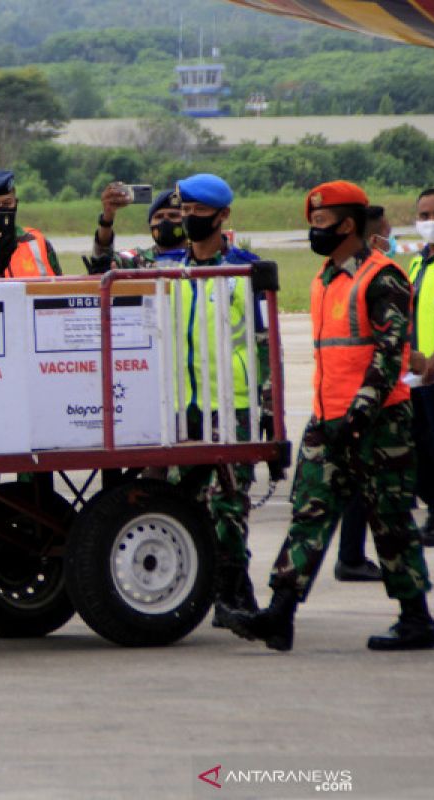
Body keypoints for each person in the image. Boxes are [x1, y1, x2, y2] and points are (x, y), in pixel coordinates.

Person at [231, 181, 434, 652]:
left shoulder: (383, 277)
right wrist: (332, 417)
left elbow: (390, 355)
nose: (313, 230)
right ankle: (279, 615)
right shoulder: (324, 278)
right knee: (308, 514)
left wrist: (360, 411)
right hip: (329, 422)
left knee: (390, 521)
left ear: (347, 225)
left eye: (321, 223)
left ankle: (416, 619)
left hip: (378, 425)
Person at [170, 173, 272, 631]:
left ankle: (234, 591)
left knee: (230, 505)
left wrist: (267, 408)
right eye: (185, 211)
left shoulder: (247, 270)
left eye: (199, 213)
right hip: (184, 406)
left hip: (233, 404)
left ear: (223, 216)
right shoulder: (170, 269)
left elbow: (265, 340)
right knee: (185, 503)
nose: (190, 220)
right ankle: (201, 589)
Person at [333, 205, 392, 580]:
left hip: (349, 402)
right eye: (386, 235)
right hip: (371, 403)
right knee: (380, 491)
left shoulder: (335, 281)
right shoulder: (375, 280)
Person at [406, 188, 434, 547]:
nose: (429, 223)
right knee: (418, 449)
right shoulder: (417, 263)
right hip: (417, 376)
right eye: (423, 216)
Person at [86, 185, 187, 273]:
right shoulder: (137, 259)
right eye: (159, 217)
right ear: (150, 224)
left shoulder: (197, 256)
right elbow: (102, 261)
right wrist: (107, 218)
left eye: (173, 215)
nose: (165, 221)